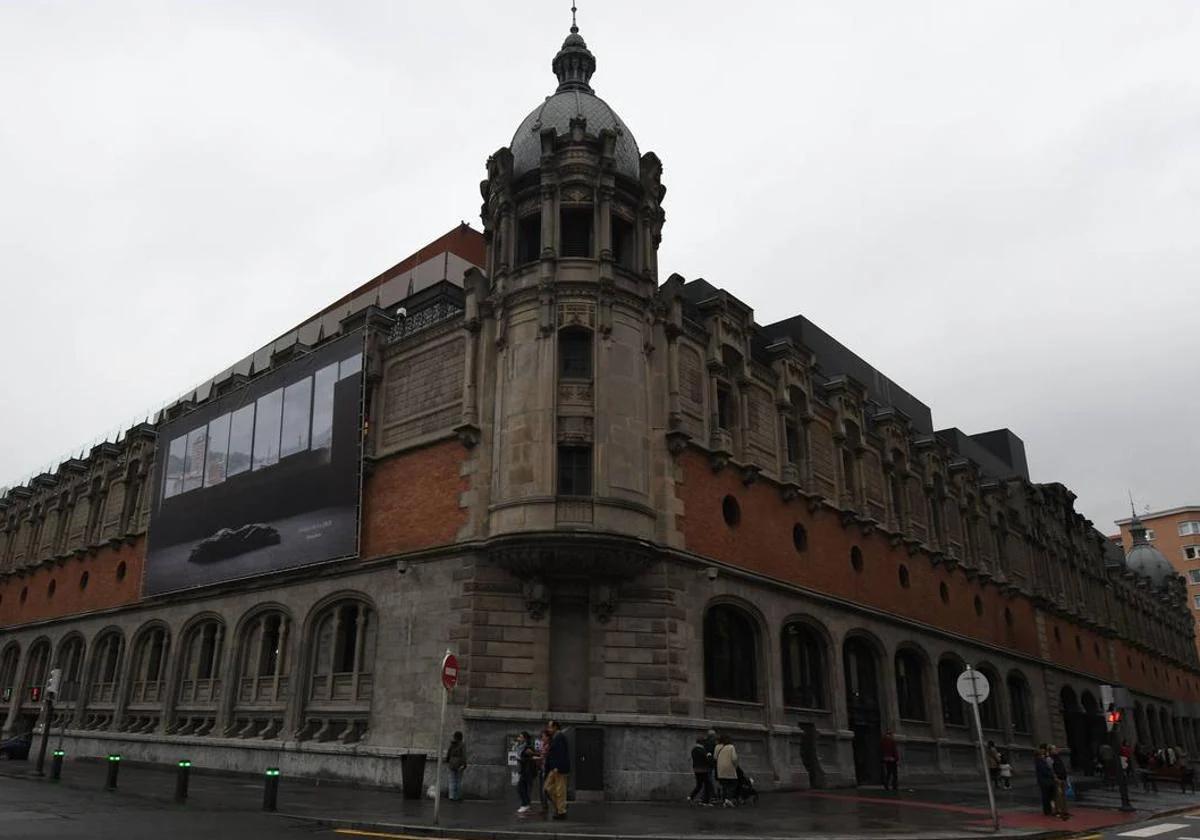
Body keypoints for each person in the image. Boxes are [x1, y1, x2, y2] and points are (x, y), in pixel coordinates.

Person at [543, 719, 570, 820]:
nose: (548, 729)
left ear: (555, 727)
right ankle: (561, 806)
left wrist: (558, 767)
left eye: (550, 727)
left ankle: (561, 811)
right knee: (547, 788)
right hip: (553, 768)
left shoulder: (560, 737)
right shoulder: (554, 737)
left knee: (560, 790)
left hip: (558, 768)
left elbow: (561, 753)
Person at [714, 734, 739, 807]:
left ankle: (725, 800)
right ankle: (728, 799)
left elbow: (715, 757)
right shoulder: (731, 747)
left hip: (720, 768)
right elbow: (734, 758)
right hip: (729, 767)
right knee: (733, 783)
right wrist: (736, 765)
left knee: (724, 785)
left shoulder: (717, 747)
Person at [688, 735, 714, 804]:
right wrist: (709, 756)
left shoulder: (694, 750)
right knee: (707, 785)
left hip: (696, 769)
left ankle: (691, 796)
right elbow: (706, 760)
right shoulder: (702, 750)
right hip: (704, 769)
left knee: (699, 785)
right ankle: (706, 801)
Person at [516, 731, 536, 814]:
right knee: (522, 787)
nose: (518, 738)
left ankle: (525, 805)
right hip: (524, 770)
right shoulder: (521, 746)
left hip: (527, 770)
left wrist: (520, 759)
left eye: (520, 737)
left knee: (521, 787)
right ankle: (526, 805)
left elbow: (530, 759)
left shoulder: (528, 747)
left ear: (524, 738)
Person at [1035, 744, 1057, 816]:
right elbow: (1044, 771)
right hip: (1044, 781)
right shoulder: (1039, 760)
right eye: (1043, 753)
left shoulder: (1044, 760)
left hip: (1048, 780)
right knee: (1046, 796)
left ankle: (1050, 809)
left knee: (1050, 795)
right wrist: (1052, 775)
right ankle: (1047, 811)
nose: (1044, 754)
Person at [445, 730, 467, 801]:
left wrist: (448, 761)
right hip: (459, 764)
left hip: (451, 763)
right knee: (458, 781)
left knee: (452, 780)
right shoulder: (462, 745)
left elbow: (448, 753)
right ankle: (457, 796)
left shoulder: (452, 744)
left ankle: (451, 796)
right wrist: (464, 764)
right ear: (461, 737)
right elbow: (464, 755)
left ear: (455, 737)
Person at [1051, 745, 1070, 821]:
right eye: (1054, 749)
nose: (1056, 750)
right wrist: (1056, 778)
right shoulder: (1051, 759)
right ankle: (1058, 811)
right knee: (1058, 796)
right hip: (1058, 780)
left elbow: (1062, 768)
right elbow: (1051, 769)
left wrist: (1066, 778)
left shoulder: (1058, 758)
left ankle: (1064, 810)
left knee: (1063, 795)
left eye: (1056, 749)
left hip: (1063, 778)